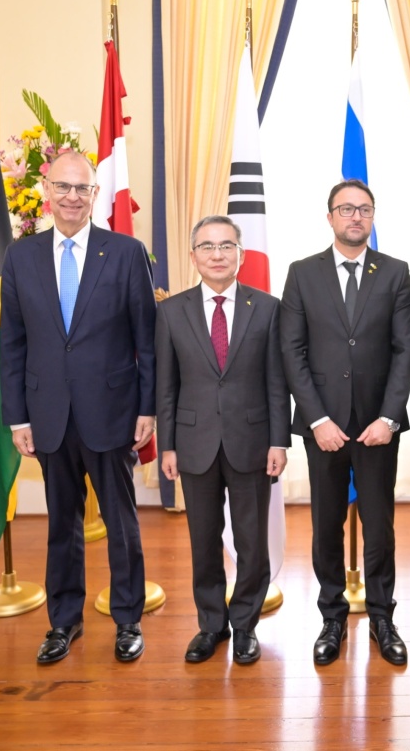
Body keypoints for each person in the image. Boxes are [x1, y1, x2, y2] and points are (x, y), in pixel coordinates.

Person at [0, 151, 156, 664]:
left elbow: (146, 341)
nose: (71, 197)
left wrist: (148, 408)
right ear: (45, 192)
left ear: (95, 196)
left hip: (112, 411)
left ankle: (128, 617)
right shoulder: (21, 256)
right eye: (62, 187)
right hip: (48, 415)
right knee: (60, 523)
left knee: (121, 521)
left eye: (81, 189)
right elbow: (13, 343)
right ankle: (64, 622)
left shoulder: (127, 252)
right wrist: (17, 415)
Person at [280, 178, 410, 666]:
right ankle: (331, 616)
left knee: (379, 524)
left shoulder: (396, 273)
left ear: (373, 216)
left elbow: (406, 352)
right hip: (325, 427)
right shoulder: (302, 273)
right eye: (345, 209)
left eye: (364, 209)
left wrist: (389, 417)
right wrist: (316, 419)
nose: (355, 217)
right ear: (330, 216)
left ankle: (383, 615)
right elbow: (291, 351)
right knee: (326, 523)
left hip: (378, 426)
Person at [156, 215, 290, 665]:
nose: (217, 254)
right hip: (193, 444)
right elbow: (167, 385)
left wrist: (279, 441)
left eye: (226, 246)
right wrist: (168, 444)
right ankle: (211, 624)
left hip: (252, 441)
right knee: (203, 539)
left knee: (252, 539)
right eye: (208, 246)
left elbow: (277, 382)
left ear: (241, 255)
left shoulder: (268, 308)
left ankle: (246, 624)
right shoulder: (171, 311)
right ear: (193, 256)